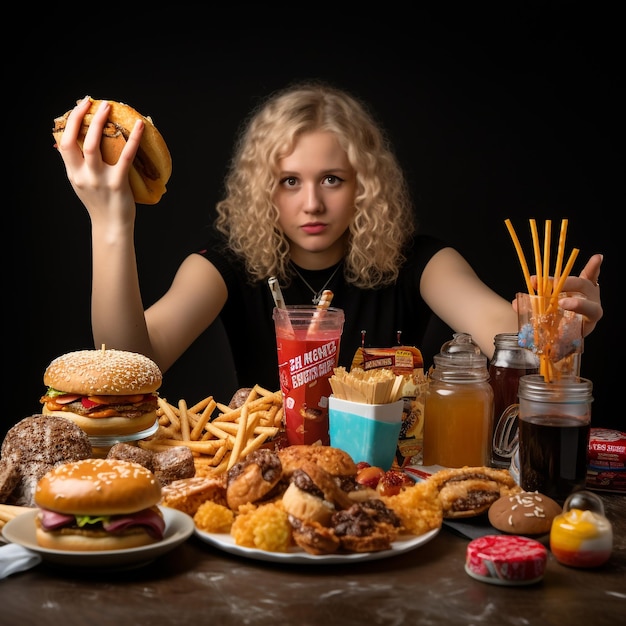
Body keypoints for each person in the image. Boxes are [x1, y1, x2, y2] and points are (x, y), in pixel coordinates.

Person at [55, 81, 603, 393]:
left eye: (332, 180)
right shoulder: (224, 265)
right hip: (263, 484)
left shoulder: (423, 262)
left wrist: (560, 329)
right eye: (289, 181)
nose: (311, 203)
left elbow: (517, 345)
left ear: (367, 185)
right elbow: (123, 363)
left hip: (387, 484)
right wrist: (111, 221)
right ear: (261, 188)